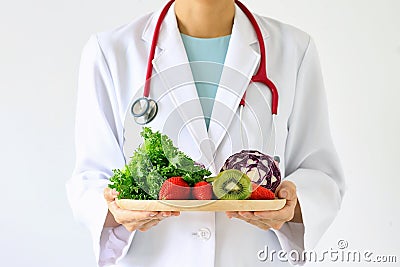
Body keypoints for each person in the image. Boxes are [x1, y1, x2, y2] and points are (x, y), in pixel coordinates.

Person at [66, 0, 345, 266]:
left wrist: (293, 204)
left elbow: (319, 172)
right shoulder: (110, 51)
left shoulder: (294, 49)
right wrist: (115, 208)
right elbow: (90, 178)